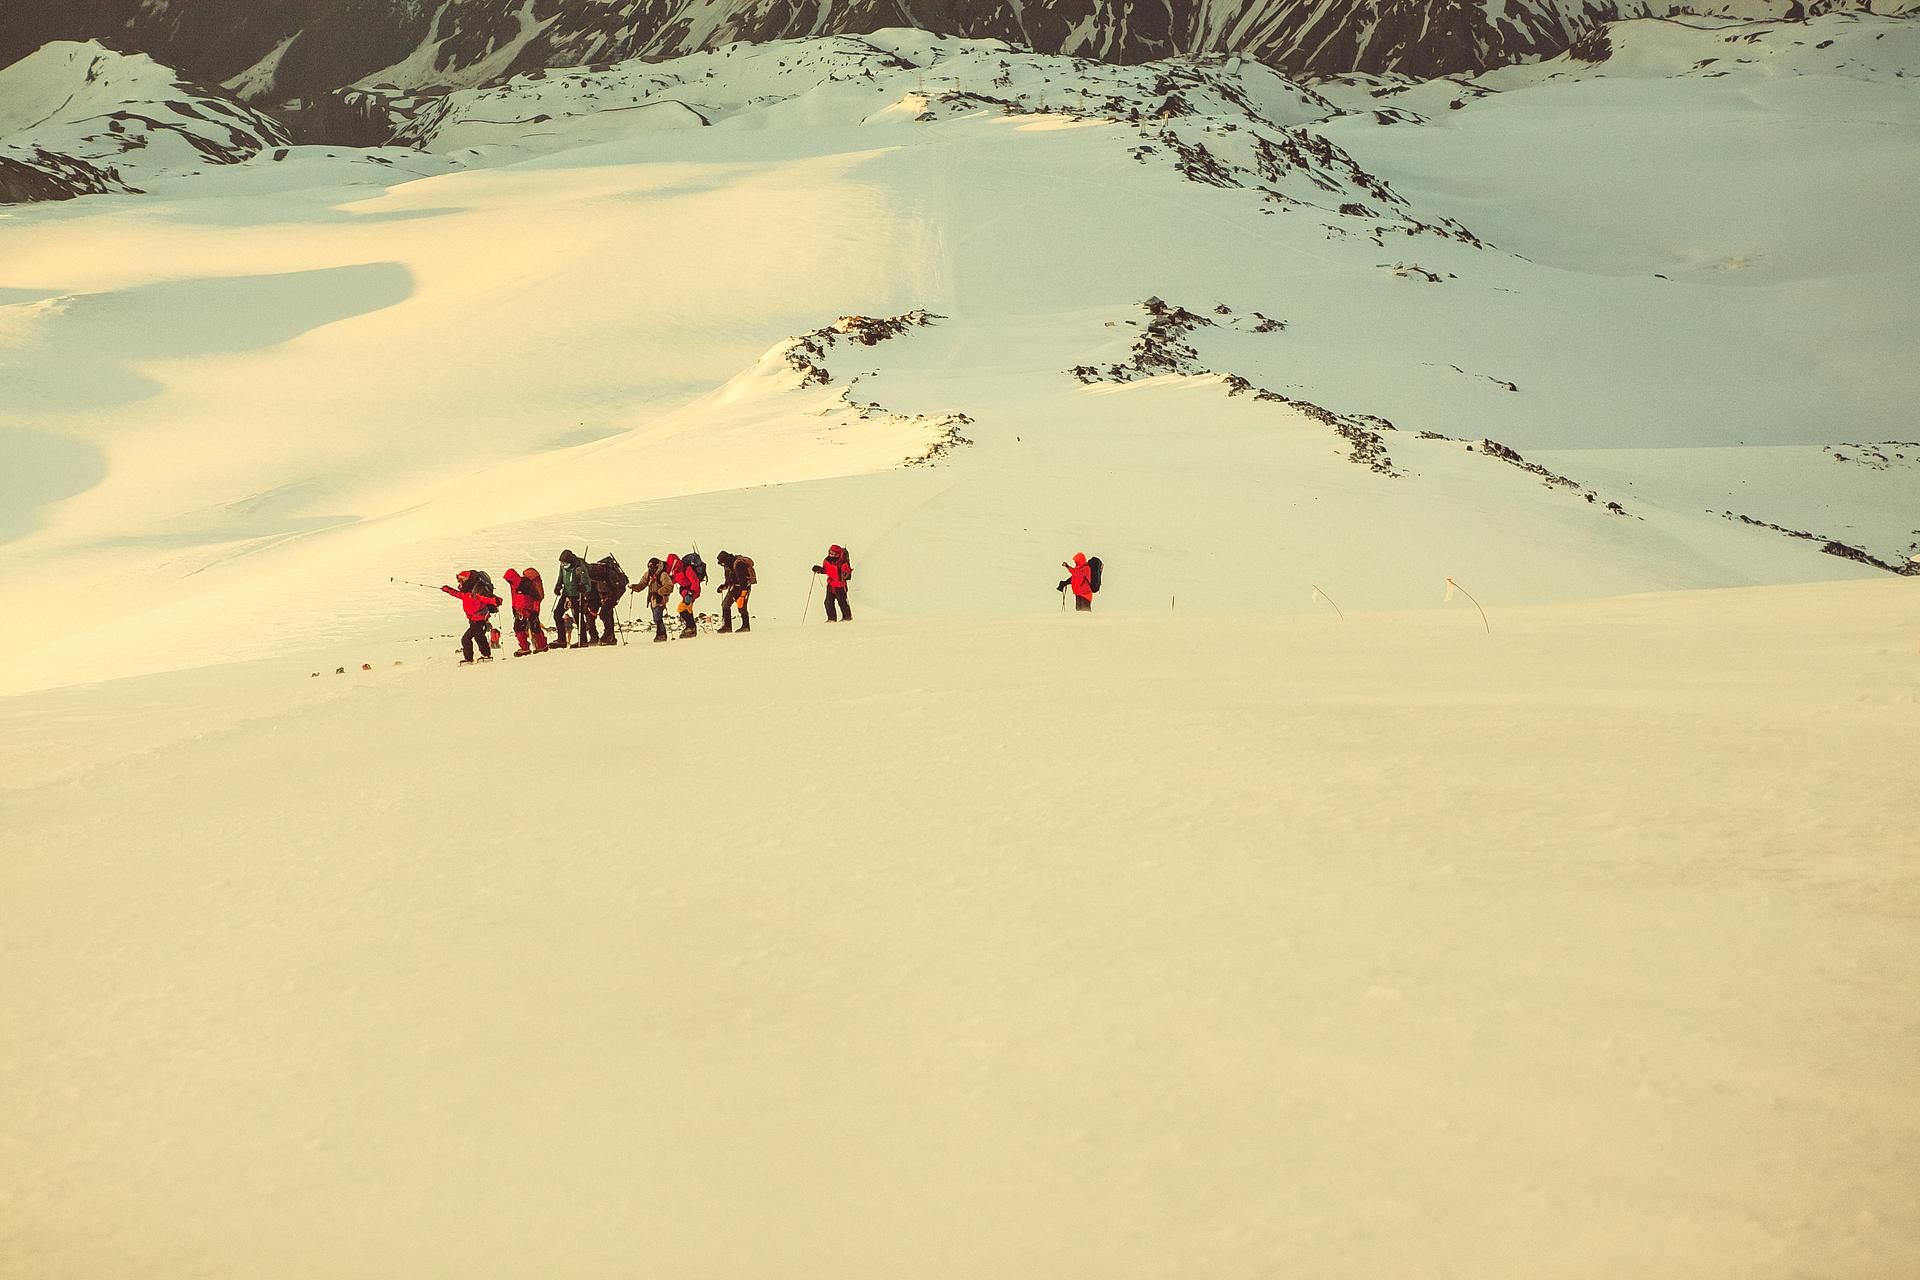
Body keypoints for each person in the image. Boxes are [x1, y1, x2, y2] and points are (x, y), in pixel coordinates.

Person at [442, 571, 502, 662]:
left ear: (467, 580)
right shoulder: (467, 593)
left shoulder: (477, 593)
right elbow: (457, 594)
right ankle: (486, 656)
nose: (460, 582)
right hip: (473, 620)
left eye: (461, 580)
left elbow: (488, 599)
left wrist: (496, 600)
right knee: (479, 638)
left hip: (480, 621)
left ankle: (470, 659)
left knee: (466, 639)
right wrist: (448, 590)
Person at [503, 566, 548, 655]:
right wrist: (514, 608)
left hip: (530, 610)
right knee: (518, 628)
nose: (508, 582)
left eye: (509, 580)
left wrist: (535, 610)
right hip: (520, 611)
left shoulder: (527, 584)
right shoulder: (513, 585)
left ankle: (541, 646)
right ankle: (525, 648)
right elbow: (514, 598)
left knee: (535, 628)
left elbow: (536, 598)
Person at [586, 554, 629, 645]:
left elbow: (619, 588)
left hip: (609, 595)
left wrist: (613, 600)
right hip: (601, 595)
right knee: (595, 614)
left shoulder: (608, 573)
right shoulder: (595, 573)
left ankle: (609, 637)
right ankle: (603, 637)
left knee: (605, 614)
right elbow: (593, 588)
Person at [554, 549, 591, 647]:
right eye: (561, 563)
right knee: (557, 613)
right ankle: (561, 640)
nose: (562, 565)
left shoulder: (579, 567)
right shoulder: (563, 567)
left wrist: (583, 587)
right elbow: (560, 577)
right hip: (566, 593)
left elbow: (588, 584)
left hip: (576, 595)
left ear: (570, 561)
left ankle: (583, 641)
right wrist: (558, 586)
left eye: (564, 563)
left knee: (578, 618)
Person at [715, 550, 756, 634]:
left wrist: (743, 594)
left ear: (725, 560)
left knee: (741, 606)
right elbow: (729, 579)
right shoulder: (728, 566)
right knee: (725, 605)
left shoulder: (738, 565)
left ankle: (745, 626)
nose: (722, 565)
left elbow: (743, 581)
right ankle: (728, 627)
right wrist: (723, 586)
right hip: (734, 587)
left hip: (743, 588)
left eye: (722, 563)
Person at [812, 544, 852, 621]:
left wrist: (845, 575)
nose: (832, 555)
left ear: (838, 554)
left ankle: (847, 617)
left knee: (842, 602)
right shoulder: (826, 561)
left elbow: (847, 573)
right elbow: (826, 570)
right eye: (830, 553)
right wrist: (819, 570)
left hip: (840, 586)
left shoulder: (843, 563)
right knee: (828, 603)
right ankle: (831, 619)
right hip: (830, 586)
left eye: (834, 554)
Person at [669, 551, 703, 637]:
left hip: (692, 592)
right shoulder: (676, 571)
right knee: (688, 610)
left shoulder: (687, 569)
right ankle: (691, 629)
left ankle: (690, 628)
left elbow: (695, 581)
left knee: (681, 609)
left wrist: (691, 594)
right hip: (687, 593)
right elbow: (675, 580)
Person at [641, 557, 673, 642]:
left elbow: (669, 586)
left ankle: (661, 634)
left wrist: (659, 592)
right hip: (653, 598)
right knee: (656, 616)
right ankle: (661, 634)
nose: (650, 568)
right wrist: (635, 587)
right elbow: (643, 583)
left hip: (660, 598)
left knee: (657, 616)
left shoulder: (663, 574)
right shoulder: (649, 574)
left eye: (651, 566)